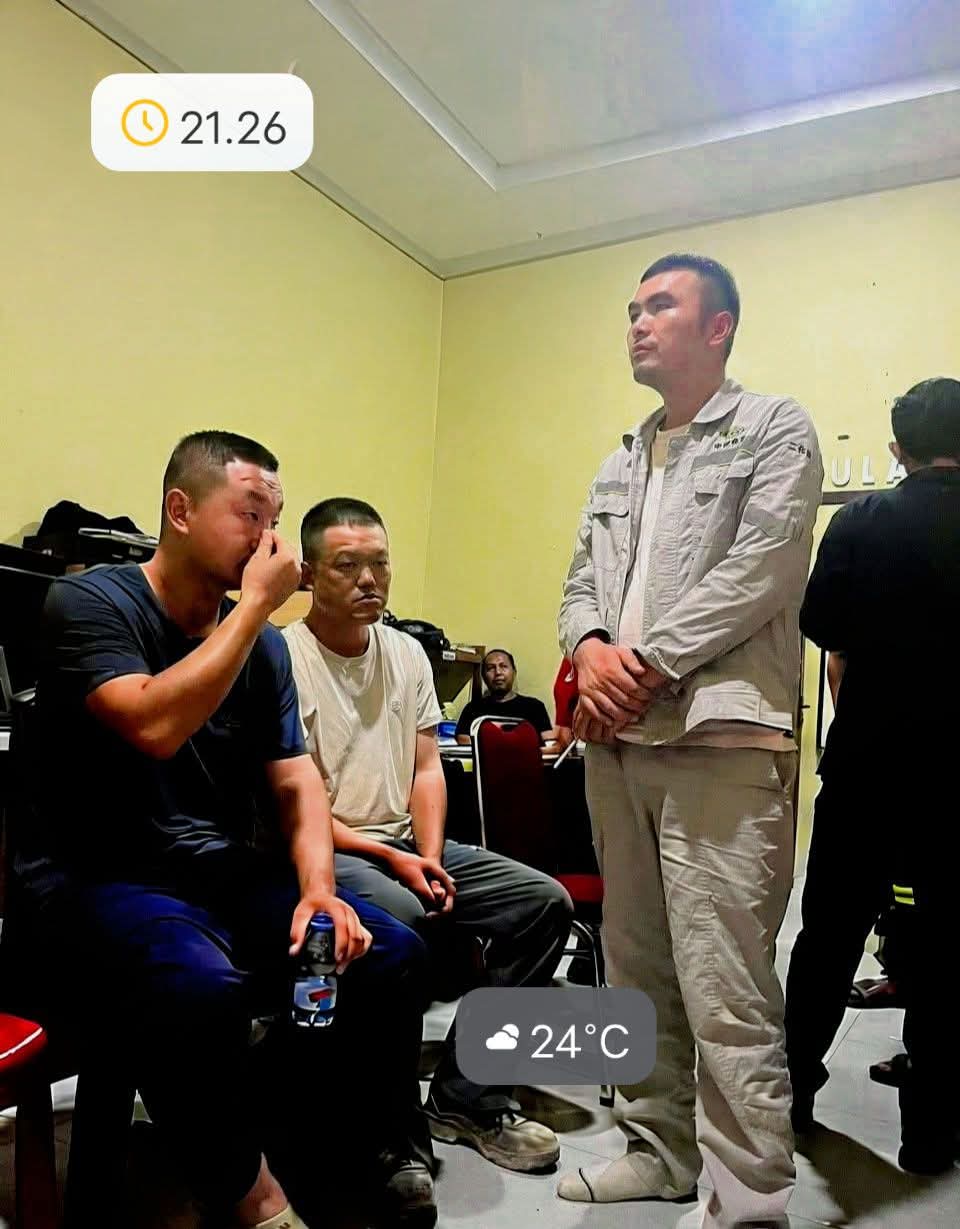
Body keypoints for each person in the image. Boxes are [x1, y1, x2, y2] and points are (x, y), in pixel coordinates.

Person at [15, 433, 437, 1229]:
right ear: (180, 510)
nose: (269, 540)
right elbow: (154, 723)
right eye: (251, 515)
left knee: (387, 954)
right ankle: (257, 1200)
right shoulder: (91, 602)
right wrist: (253, 609)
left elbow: (296, 779)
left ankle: (270, 1135)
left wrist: (319, 891)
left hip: (211, 877)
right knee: (201, 987)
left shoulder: (262, 645)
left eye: (276, 520)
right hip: (91, 880)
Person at [557, 253, 822, 1229]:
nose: (637, 321)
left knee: (726, 983)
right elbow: (578, 583)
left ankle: (748, 1200)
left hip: (722, 743)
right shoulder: (619, 460)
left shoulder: (775, 428)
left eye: (661, 305)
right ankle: (658, 1149)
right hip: (617, 745)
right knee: (636, 967)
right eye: (632, 307)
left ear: (719, 327)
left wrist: (642, 662)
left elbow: (763, 569)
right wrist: (589, 647)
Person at [283, 497, 574, 1174]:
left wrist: (432, 855)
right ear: (309, 574)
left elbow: (427, 768)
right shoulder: (284, 657)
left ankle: (467, 1096)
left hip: (407, 844)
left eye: (380, 564)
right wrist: (397, 860)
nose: (369, 580)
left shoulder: (408, 653)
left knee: (543, 904)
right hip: (333, 852)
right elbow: (295, 802)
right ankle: (385, 1124)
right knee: (406, 917)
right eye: (347, 565)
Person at [784, 378, 960, 1174]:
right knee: (948, 949)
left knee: (828, 936)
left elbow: (820, 624)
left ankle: (794, 1088)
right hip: (955, 776)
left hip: (868, 762)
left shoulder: (861, 521)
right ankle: (929, 1132)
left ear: (897, 449)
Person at [454, 649, 554, 744]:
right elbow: (463, 740)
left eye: (503, 666)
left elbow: (550, 743)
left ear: (514, 672)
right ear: (484, 677)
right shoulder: (472, 709)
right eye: (491, 668)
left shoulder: (535, 707)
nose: (498, 672)